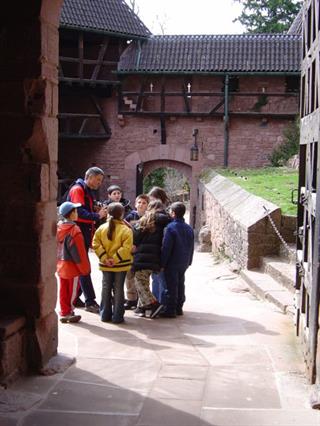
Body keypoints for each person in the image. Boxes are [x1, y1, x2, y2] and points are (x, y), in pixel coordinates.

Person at [67, 167, 108, 313]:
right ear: (89, 177)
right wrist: (97, 216)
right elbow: (78, 213)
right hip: (77, 234)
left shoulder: (86, 191)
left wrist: (94, 211)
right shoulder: (78, 190)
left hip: (82, 233)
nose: (99, 183)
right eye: (98, 180)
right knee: (84, 267)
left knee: (81, 266)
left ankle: (75, 298)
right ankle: (90, 301)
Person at [92, 202, 133, 324]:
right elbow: (126, 248)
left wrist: (105, 258)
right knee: (119, 289)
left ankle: (105, 314)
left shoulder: (101, 228)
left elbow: (95, 244)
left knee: (106, 288)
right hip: (121, 264)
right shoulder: (126, 230)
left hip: (105, 264)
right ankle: (118, 316)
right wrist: (115, 259)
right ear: (122, 215)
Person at [132, 200, 170, 318]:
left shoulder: (144, 220)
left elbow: (135, 238)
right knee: (145, 282)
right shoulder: (167, 221)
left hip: (142, 257)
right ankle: (142, 307)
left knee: (140, 282)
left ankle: (154, 304)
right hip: (156, 257)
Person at [56, 201, 91, 323]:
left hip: (60, 264)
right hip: (72, 266)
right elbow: (79, 253)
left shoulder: (58, 228)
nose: (77, 213)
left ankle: (64, 310)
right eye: (75, 211)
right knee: (72, 291)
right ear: (70, 214)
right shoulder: (74, 230)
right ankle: (69, 312)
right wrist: (85, 268)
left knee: (63, 289)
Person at [160, 202, 194, 318]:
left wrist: (162, 263)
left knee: (171, 286)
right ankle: (179, 307)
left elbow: (166, 247)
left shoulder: (170, 228)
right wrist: (189, 260)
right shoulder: (189, 228)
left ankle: (170, 309)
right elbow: (191, 246)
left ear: (173, 213)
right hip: (183, 261)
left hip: (172, 262)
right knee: (180, 284)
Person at [123, 194, 149, 310]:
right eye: (139, 202)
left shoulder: (149, 218)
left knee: (141, 277)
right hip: (130, 251)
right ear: (135, 204)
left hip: (143, 251)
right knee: (129, 276)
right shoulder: (129, 217)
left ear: (148, 205)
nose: (141, 205)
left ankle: (141, 299)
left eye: (144, 203)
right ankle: (131, 299)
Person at [147, 186, 171, 303]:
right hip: (157, 252)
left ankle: (160, 303)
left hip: (159, 252)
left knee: (159, 279)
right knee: (157, 279)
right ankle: (159, 302)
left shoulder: (162, 217)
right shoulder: (167, 216)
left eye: (152, 199)